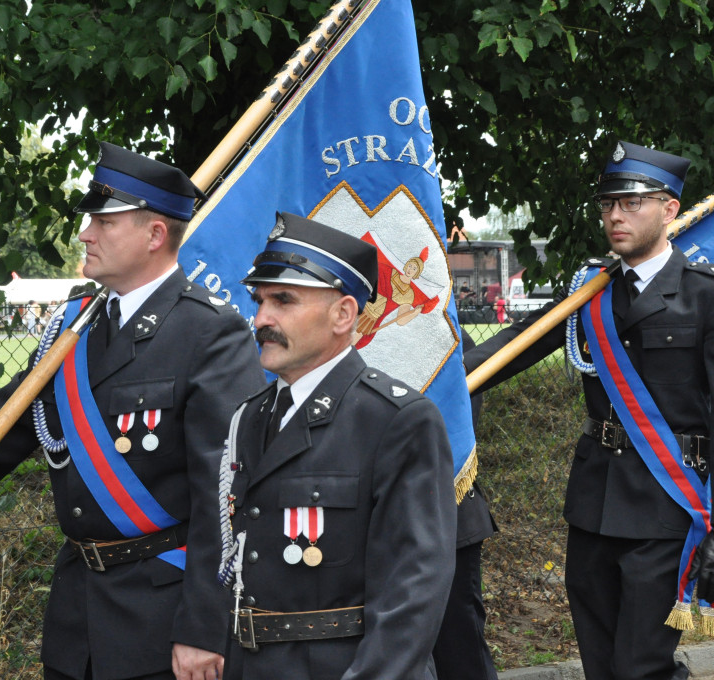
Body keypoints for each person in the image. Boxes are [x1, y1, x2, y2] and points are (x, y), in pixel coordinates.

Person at [0, 142, 267, 680]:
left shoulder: (210, 332)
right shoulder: (73, 328)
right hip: (76, 617)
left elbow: (225, 496)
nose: (85, 233)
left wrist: (203, 627)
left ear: (154, 235)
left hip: (161, 620)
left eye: (104, 221)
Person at [463, 140, 711, 680]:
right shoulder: (590, 293)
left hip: (669, 506)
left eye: (632, 203)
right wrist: (432, 381)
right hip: (595, 504)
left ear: (670, 210)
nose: (615, 216)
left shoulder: (705, 298)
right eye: (607, 204)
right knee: (601, 662)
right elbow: (513, 346)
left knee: (641, 666)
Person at [218, 212, 456, 679]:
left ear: (343, 315)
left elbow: (414, 594)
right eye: (260, 300)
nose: (261, 318)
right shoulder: (250, 417)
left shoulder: (397, 421)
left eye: (283, 300)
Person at [432, 329, 499, 680]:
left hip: (447, 518)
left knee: (459, 652)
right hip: (373, 522)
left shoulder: (445, 336)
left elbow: (452, 436)